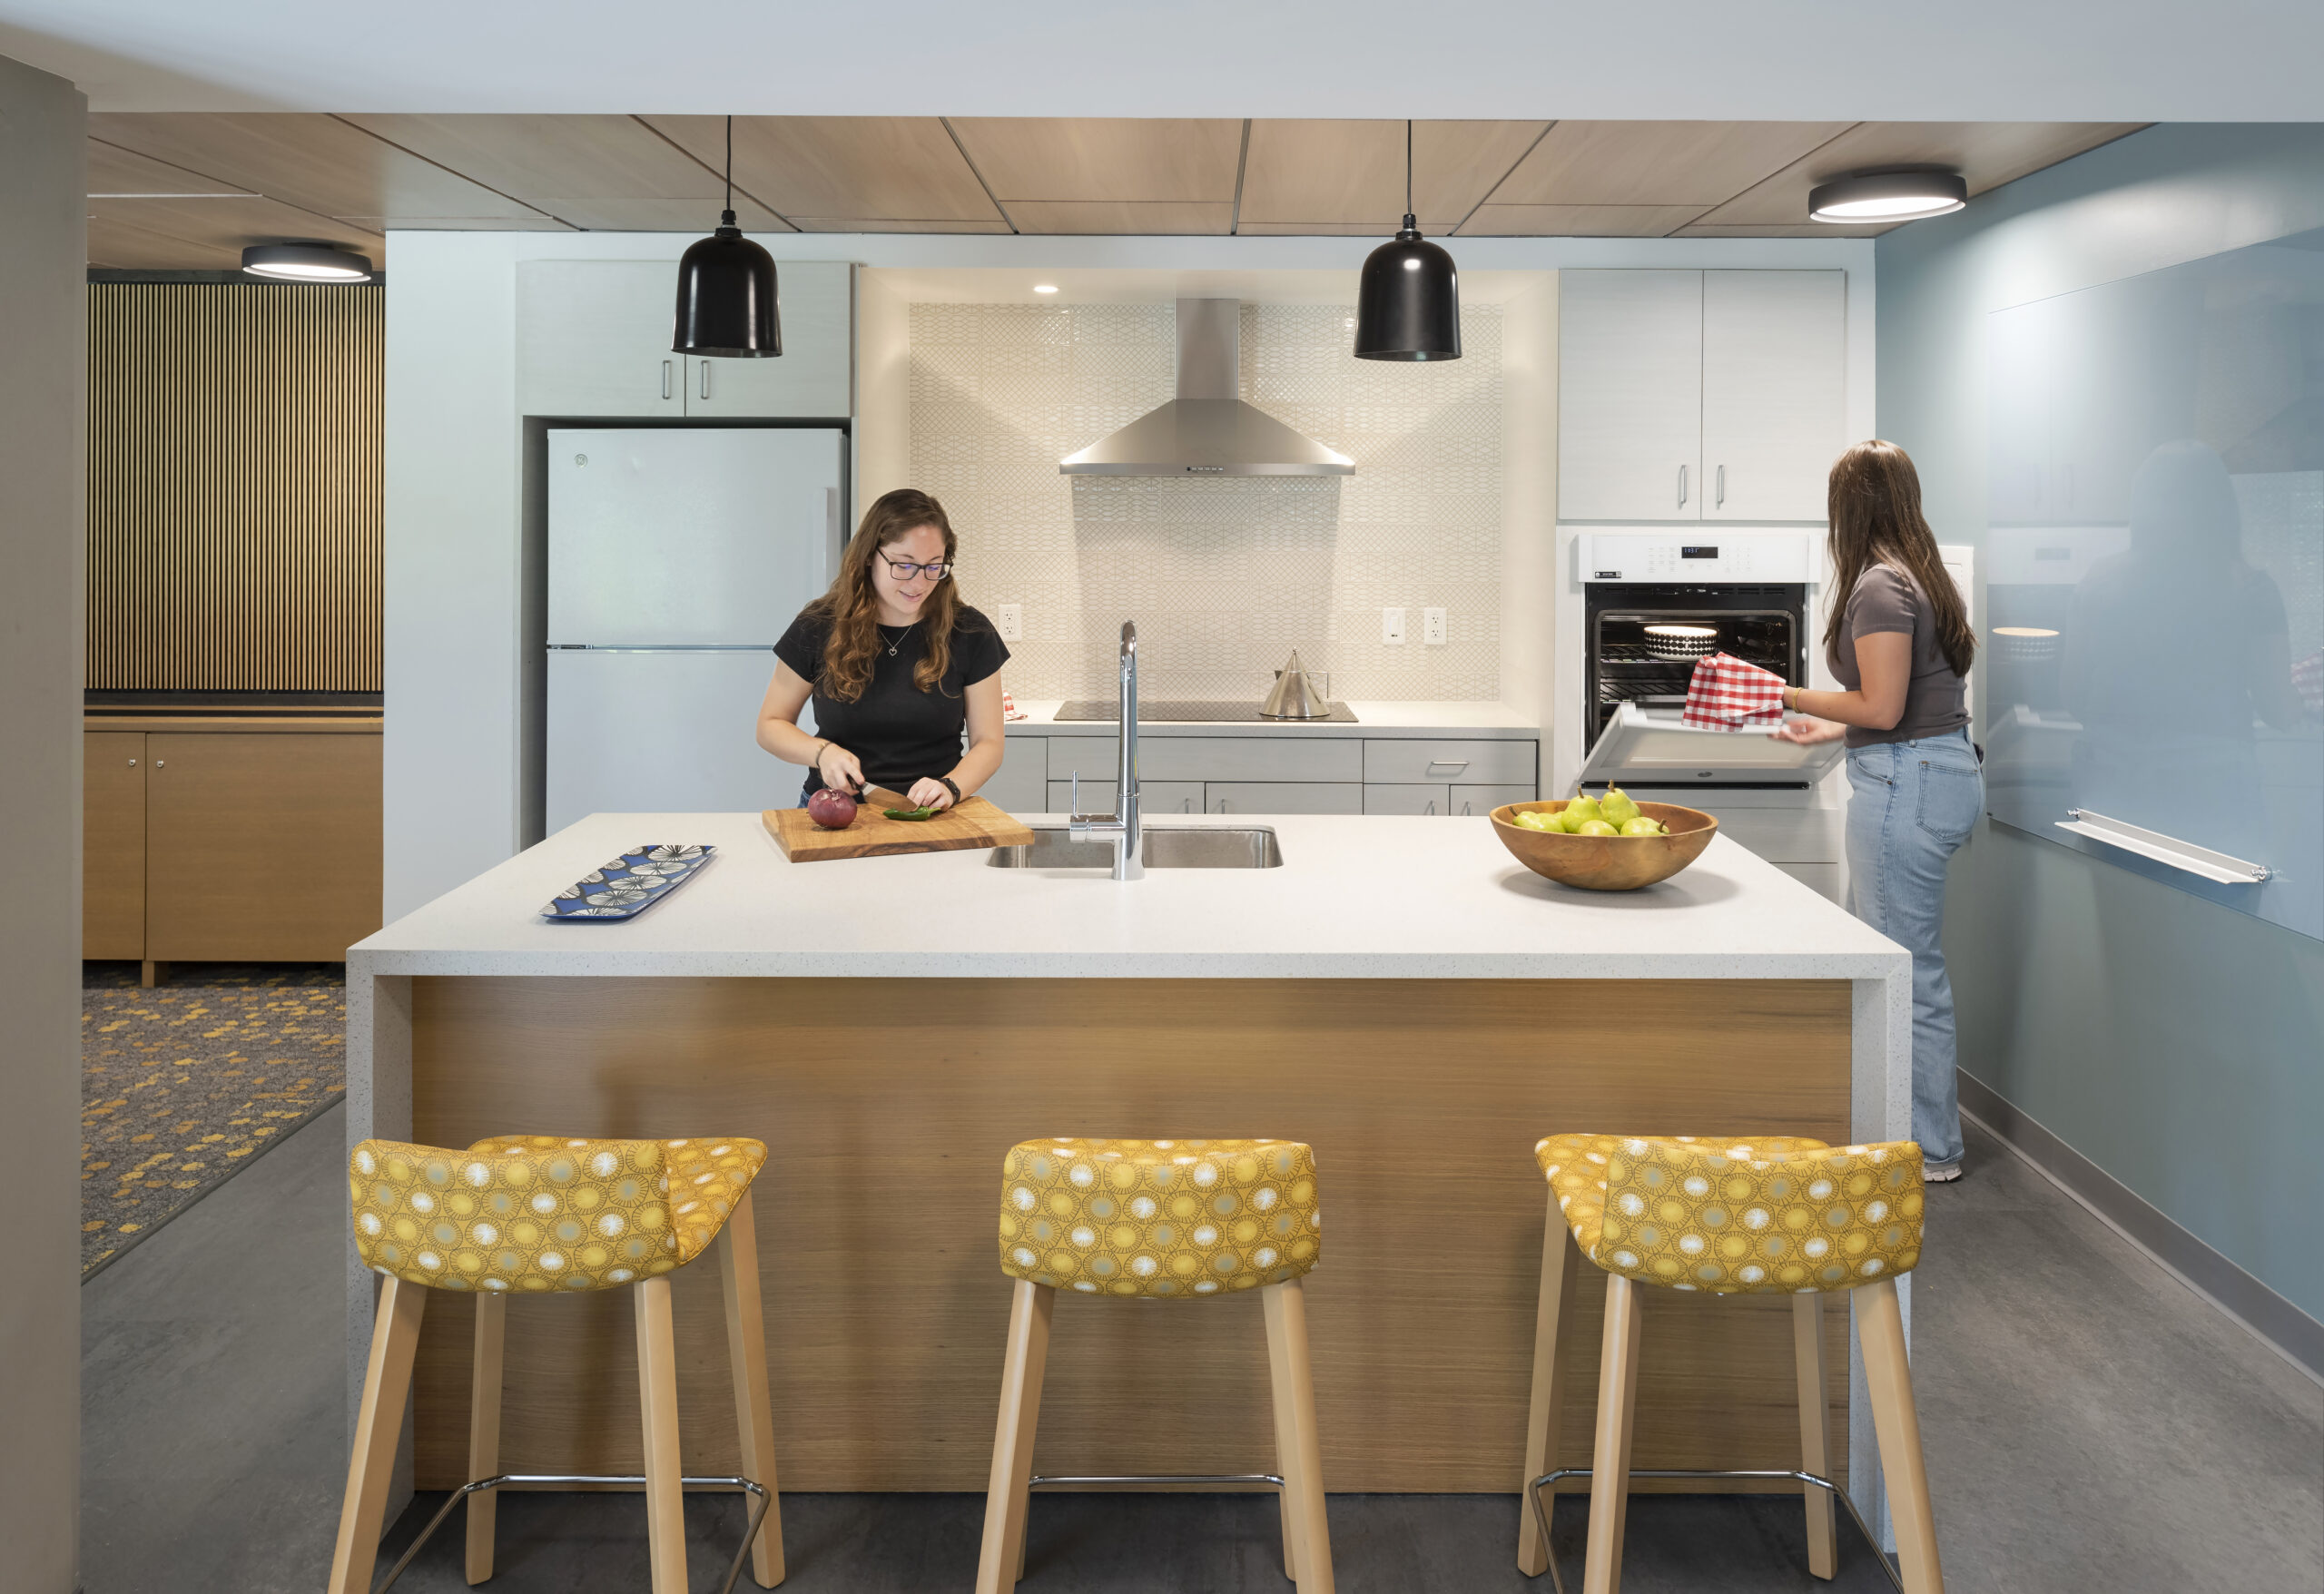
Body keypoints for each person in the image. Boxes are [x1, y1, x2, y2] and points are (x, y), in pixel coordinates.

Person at [1773, 441, 1982, 1182]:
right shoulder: (1921, 574)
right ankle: (1898, 1129)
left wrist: (1787, 693)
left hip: (1906, 783)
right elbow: (1909, 703)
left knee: (1906, 971)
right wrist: (1836, 728)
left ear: (1849, 508)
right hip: (1936, 770)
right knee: (1901, 963)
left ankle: (1928, 1150)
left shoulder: (1879, 586)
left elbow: (1884, 708)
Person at [756, 487, 1008, 811]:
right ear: (869, 557)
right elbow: (770, 724)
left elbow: (989, 743)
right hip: (835, 810)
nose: (919, 583)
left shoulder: (970, 631)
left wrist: (950, 788)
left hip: (932, 814)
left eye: (934, 566)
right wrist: (822, 753)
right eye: (903, 565)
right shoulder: (818, 625)